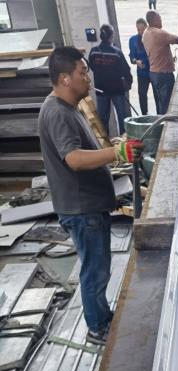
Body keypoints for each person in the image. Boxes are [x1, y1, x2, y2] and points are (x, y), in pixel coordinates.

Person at [38, 47, 142, 345]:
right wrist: (117, 152)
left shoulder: (69, 107)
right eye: (83, 73)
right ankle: (98, 328)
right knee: (94, 271)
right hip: (82, 209)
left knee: (98, 267)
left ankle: (101, 318)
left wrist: (113, 148)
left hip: (87, 204)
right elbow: (73, 158)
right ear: (65, 78)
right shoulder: (58, 112)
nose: (88, 78)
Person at [88, 23, 132, 135]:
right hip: (117, 89)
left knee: (102, 120)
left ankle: (105, 142)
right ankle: (123, 141)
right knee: (123, 118)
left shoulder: (93, 52)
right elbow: (126, 70)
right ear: (111, 36)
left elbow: (91, 67)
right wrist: (128, 84)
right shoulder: (116, 52)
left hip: (100, 89)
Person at [142, 11, 178, 114]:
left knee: (160, 103)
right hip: (163, 75)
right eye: (160, 19)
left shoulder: (146, 33)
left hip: (153, 73)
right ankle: (165, 122)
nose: (161, 21)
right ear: (155, 20)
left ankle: (160, 121)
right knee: (167, 105)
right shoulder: (158, 33)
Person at [128, 17, 158, 115]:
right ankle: (144, 115)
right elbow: (132, 56)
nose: (140, 32)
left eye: (142, 29)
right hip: (142, 72)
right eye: (138, 30)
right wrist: (136, 61)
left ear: (147, 27)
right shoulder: (132, 40)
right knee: (142, 95)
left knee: (157, 95)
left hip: (154, 70)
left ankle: (160, 114)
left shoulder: (153, 37)